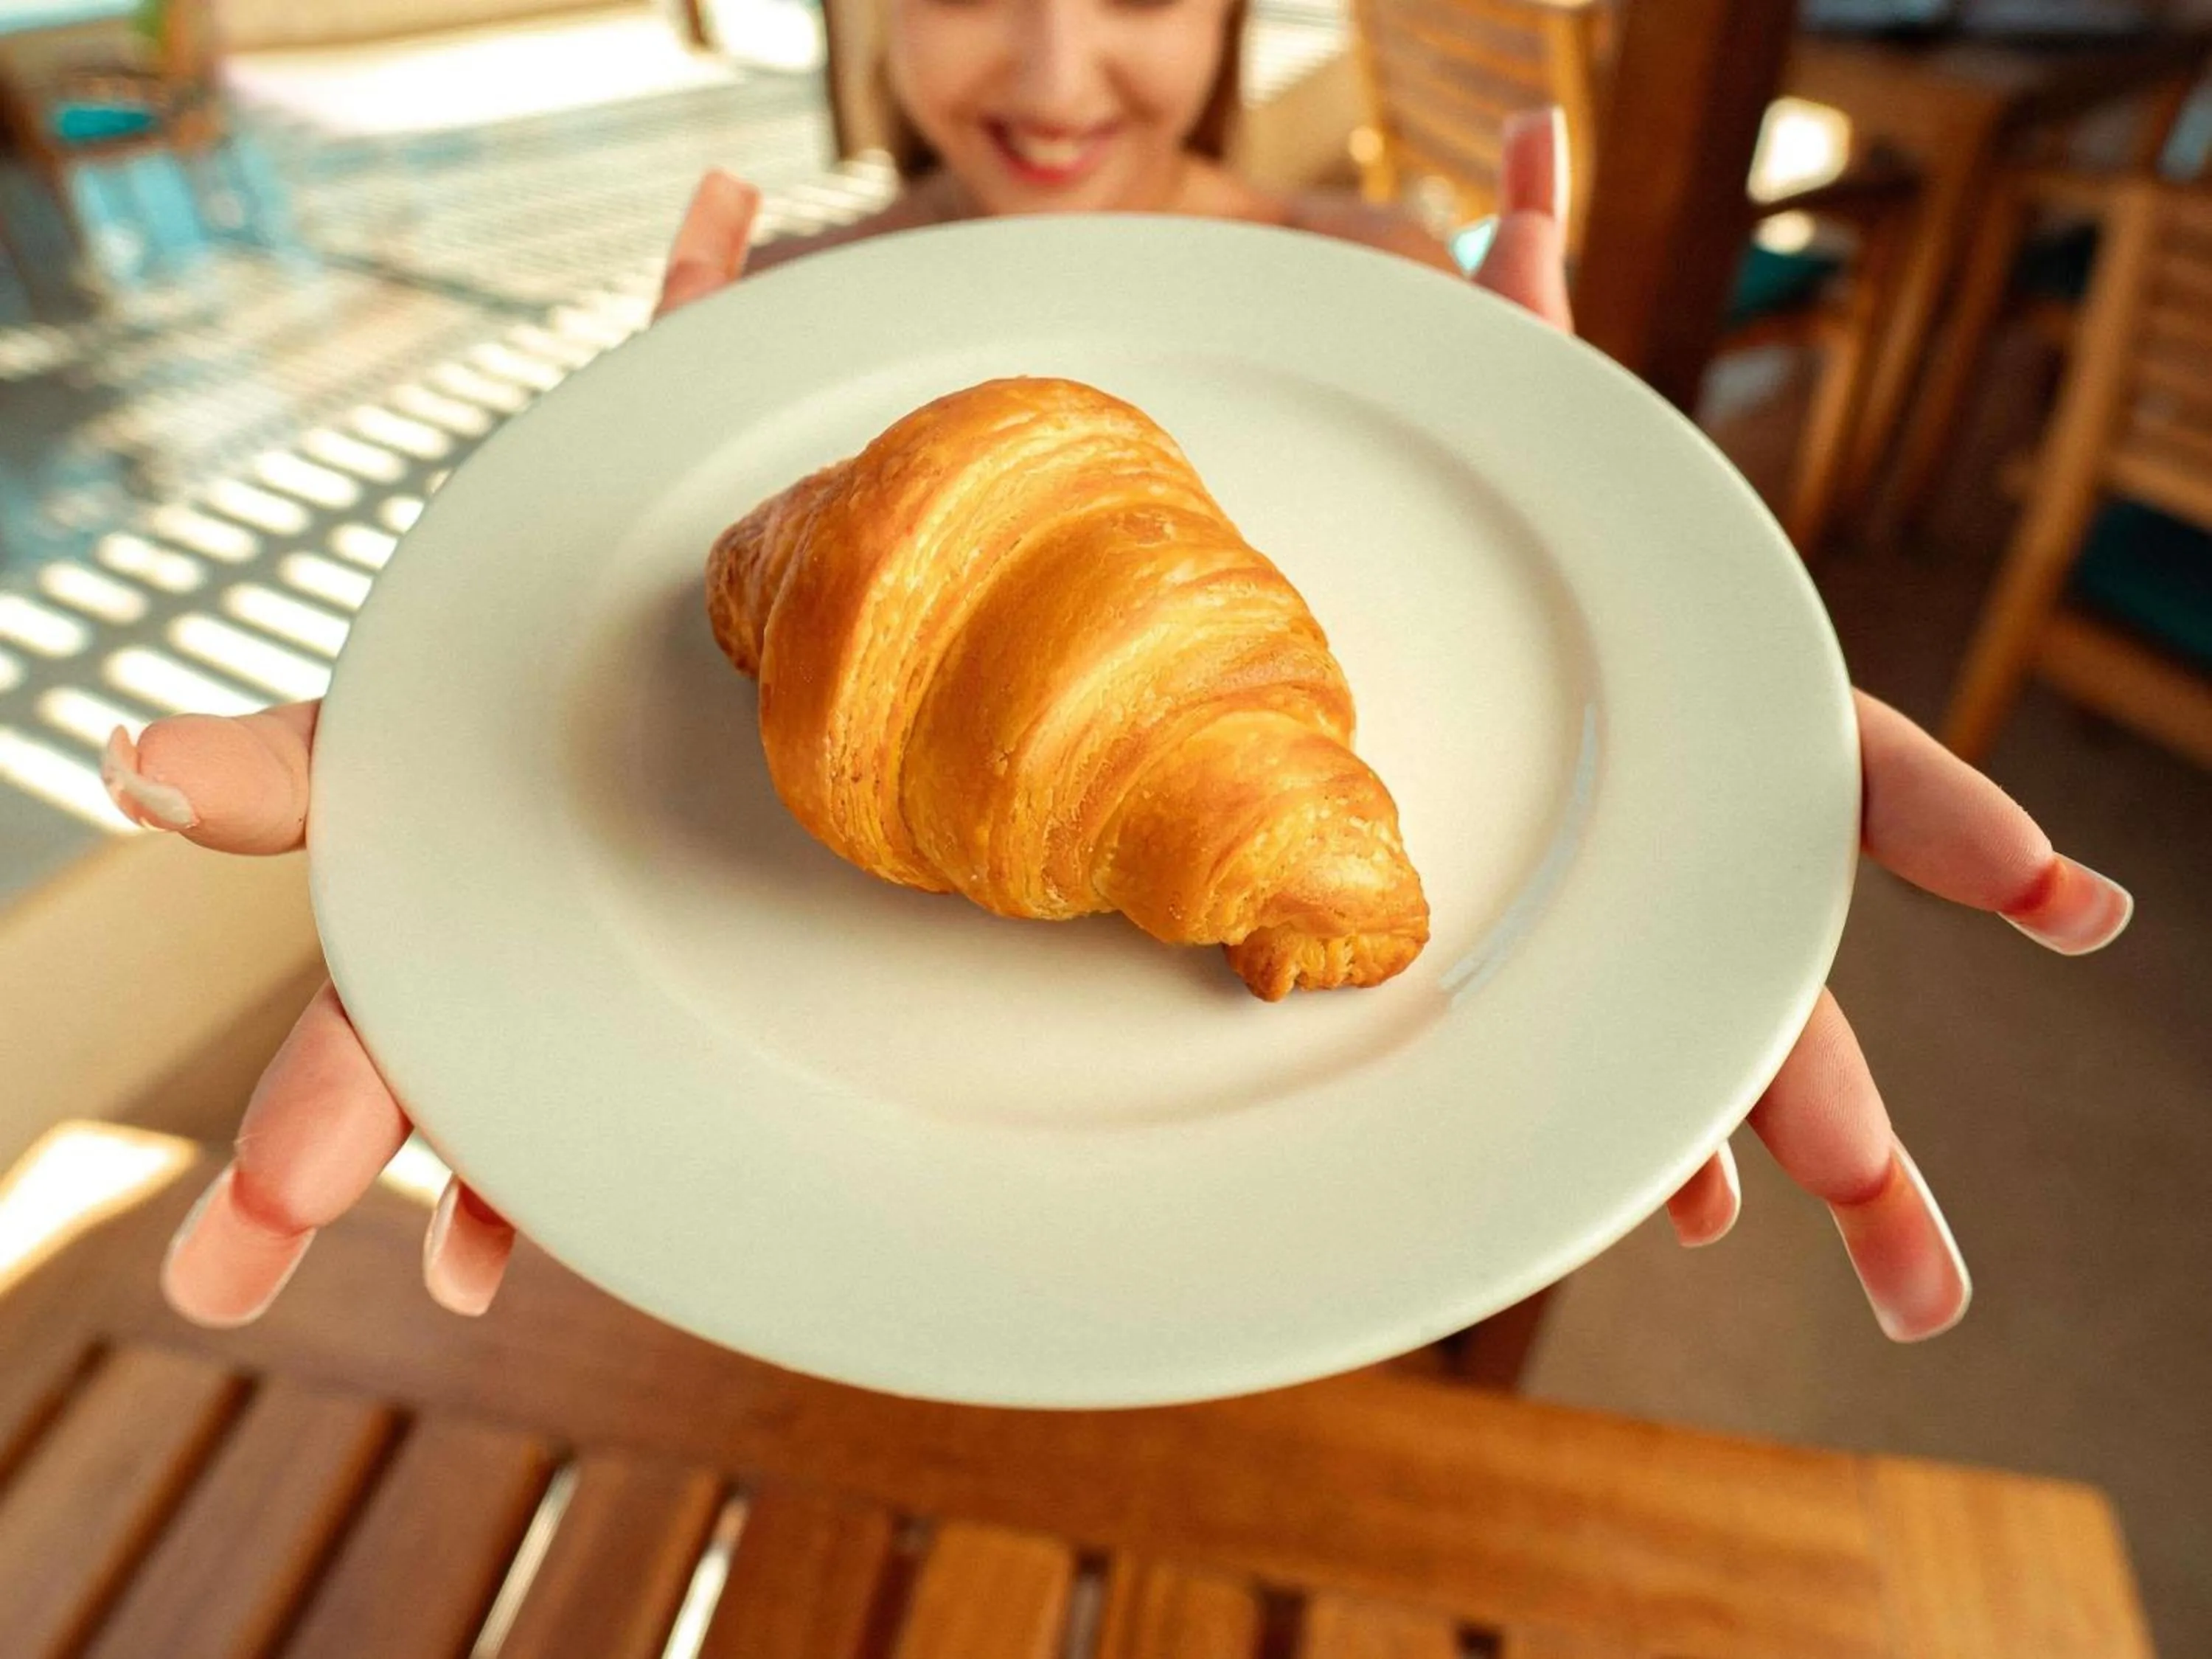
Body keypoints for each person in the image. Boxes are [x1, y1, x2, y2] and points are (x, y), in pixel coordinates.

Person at [105, 0, 2129, 1346]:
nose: (1059, 62)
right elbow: (562, 678)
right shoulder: (766, 324)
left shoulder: (1389, 277)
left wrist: (1666, 598)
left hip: (1378, 1219)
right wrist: (485, 730)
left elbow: (1599, 559)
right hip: (837, 1257)